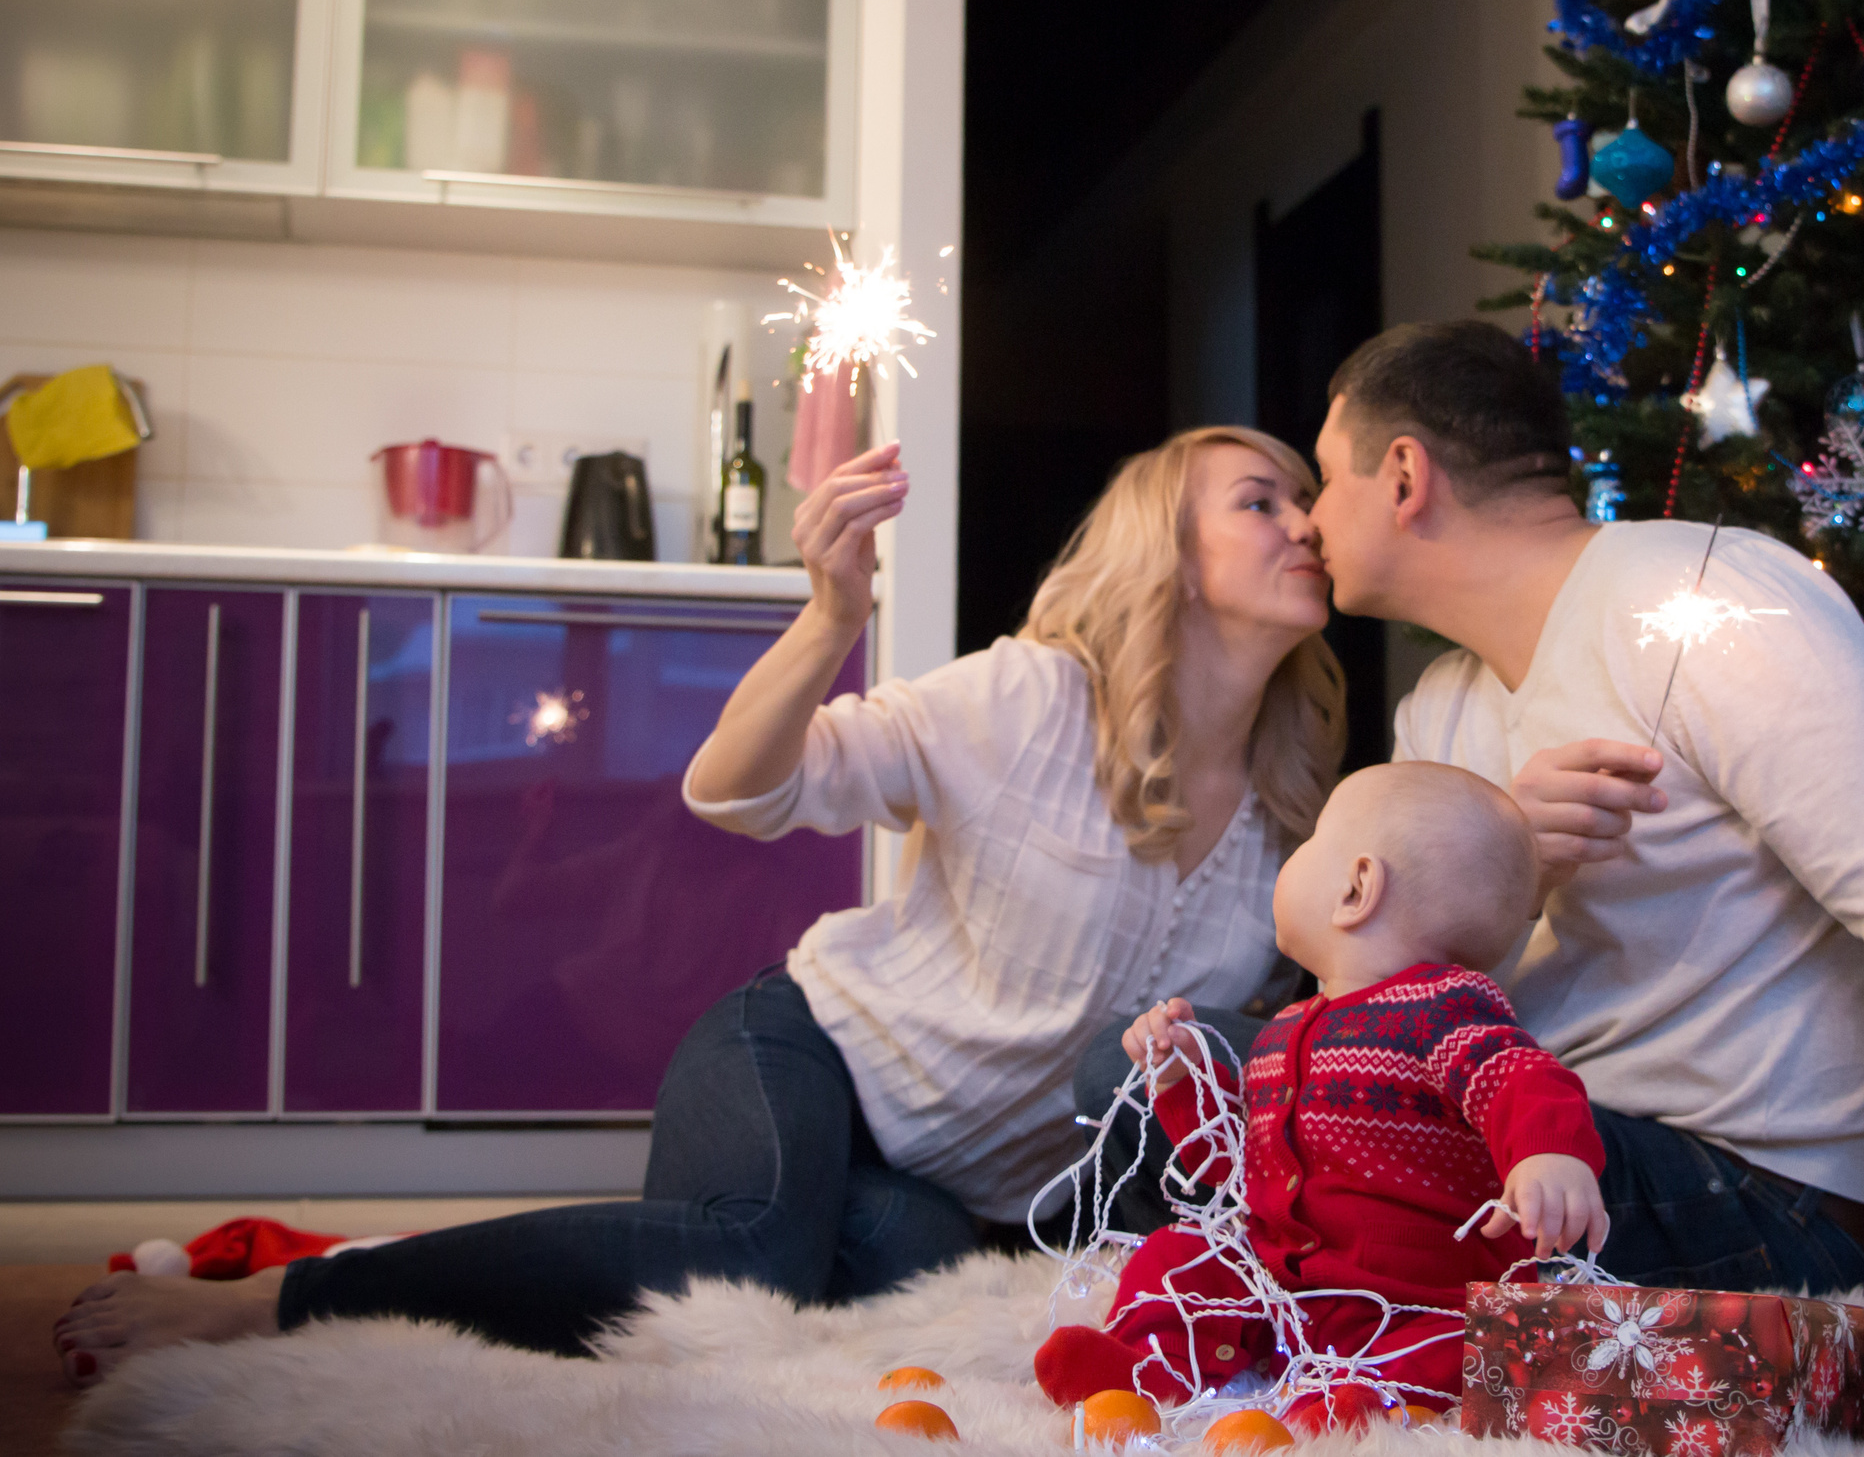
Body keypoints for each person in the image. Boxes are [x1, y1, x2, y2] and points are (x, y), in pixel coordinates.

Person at [55, 426, 1345, 1378]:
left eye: (1304, 497)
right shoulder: (1028, 699)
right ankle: (280, 1304)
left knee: (918, 1286)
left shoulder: (1293, 808)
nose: (1306, 521)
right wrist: (831, 613)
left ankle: (607, 1254)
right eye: (1261, 500)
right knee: (746, 1256)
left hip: (958, 1194)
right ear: (1168, 555)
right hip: (808, 1052)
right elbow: (737, 791)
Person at [1302, 317, 1864, 1293]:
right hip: (1548, 1153)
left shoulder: (1702, 600)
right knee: (1227, 1078)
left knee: (1234, 1088)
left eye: (1325, 478)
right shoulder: (1439, 711)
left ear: (1404, 476)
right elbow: (1380, 1019)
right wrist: (1513, 869)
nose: (1309, 520)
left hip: (1775, 1199)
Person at [1034, 762, 1605, 1425]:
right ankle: (1146, 1364)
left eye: (1310, 841)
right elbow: (1233, 1173)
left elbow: (1522, 1077)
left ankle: (1370, 1405)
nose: (1293, 854)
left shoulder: (1444, 1010)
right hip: (1284, 1287)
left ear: (1356, 888)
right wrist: (1183, 1079)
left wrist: (1548, 1153)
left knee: (1466, 1341)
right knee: (1176, 1254)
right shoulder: (1283, 1032)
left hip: (1414, 1296)